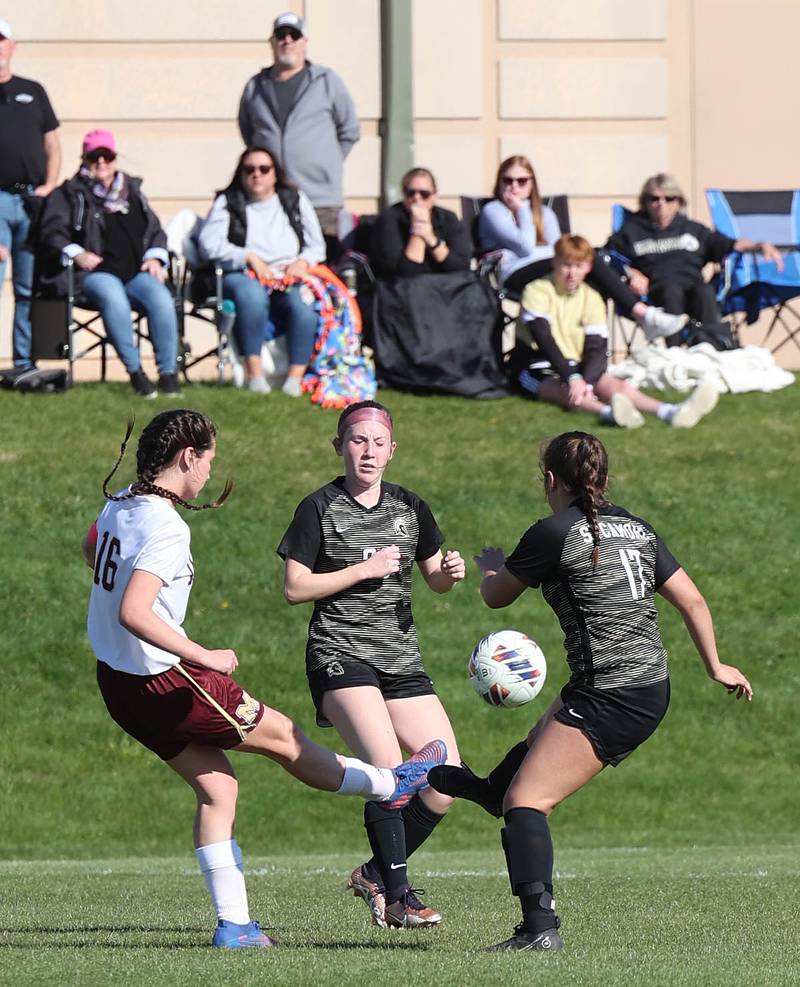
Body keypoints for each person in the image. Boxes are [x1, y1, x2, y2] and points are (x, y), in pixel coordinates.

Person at [83, 408, 446, 949]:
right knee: (287, 741)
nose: (209, 471)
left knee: (218, 789)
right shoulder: (166, 524)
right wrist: (201, 653)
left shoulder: (121, 504)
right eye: (208, 459)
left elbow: (93, 549)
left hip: (118, 683)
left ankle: (235, 927)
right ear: (188, 458)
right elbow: (135, 612)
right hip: (168, 680)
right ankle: (392, 783)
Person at [429, 430, 753, 951]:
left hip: (612, 693)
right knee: (517, 779)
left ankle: (539, 931)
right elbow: (692, 601)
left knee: (527, 802)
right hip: (641, 685)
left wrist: (490, 563)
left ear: (552, 479)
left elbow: (494, 596)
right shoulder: (638, 530)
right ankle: (487, 790)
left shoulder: (554, 532)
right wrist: (715, 666)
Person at [277, 400, 466, 929]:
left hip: (400, 657)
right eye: (357, 440)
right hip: (339, 654)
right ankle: (401, 897)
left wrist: (450, 572)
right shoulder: (318, 507)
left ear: (392, 450)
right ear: (338, 446)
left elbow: (434, 578)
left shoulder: (411, 508)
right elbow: (295, 587)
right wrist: (363, 569)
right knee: (389, 771)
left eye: (378, 442)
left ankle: (375, 874)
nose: (368, 450)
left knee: (446, 779)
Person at [513, 234, 719, 429]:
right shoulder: (536, 290)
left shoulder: (591, 296)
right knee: (565, 390)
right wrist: (573, 378)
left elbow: (597, 346)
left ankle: (670, 412)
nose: (571, 273)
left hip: (575, 363)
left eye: (578, 266)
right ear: (554, 263)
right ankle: (609, 414)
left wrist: (588, 381)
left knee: (618, 387)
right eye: (566, 265)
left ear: (588, 268)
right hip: (536, 364)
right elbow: (543, 338)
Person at [478, 155, 688, 342]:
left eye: (522, 181)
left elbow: (559, 250)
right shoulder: (494, 211)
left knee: (595, 267)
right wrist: (522, 210)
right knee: (592, 258)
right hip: (516, 274)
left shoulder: (544, 213)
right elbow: (524, 247)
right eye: (508, 180)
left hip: (555, 269)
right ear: (499, 182)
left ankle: (593, 353)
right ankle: (643, 314)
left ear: (532, 184)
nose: (514, 186)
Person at [36, 129, 179, 397]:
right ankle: (136, 373)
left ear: (115, 158)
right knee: (114, 297)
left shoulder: (133, 192)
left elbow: (155, 231)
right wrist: (76, 252)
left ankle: (169, 374)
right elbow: (50, 232)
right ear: (85, 159)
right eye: (95, 157)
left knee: (161, 297)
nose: (101, 162)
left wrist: (155, 257)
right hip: (93, 273)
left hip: (135, 271)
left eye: (107, 156)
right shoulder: (69, 193)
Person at [197, 145, 325, 395]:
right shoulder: (229, 201)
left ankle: (294, 379)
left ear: (275, 174)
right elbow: (208, 244)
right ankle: (254, 374)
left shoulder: (294, 199)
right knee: (251, 296)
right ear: (242, 174)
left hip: (288, 275)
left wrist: (302, 262)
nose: (257, 174)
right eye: (250, 169)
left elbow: (317, 245)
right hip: (244, 273)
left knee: (303, 308)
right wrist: (248, 257)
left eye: (264, 169)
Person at [603, 173, 784, 345]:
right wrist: (631, 273)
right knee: (671, 291)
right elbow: (608, 257)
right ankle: (674, 351)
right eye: (654, 198)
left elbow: (729, 244)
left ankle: (712, 348)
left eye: (669, 198)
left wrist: (759, 245)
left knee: (704, 291)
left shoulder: (693, 229)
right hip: (655, 292)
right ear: (645, 202)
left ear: (679, 202)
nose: (661, 204)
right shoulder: (631, 231)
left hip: (693, 287)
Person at [237, 11, 360, 245]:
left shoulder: (326, 81)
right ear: (272, 42)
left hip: (321, 200)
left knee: (322, 268)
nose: (287, 41)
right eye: (281, 35)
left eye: (294, 35)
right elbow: (248, 132)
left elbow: (350, 131)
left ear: (304, 42)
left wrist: (327, 161)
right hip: (272, 201)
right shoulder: (255, 87)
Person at [0, 17, 61, 369]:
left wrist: (49, 187)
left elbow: (52, 143)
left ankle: (24, 364)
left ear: (13, 46)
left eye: (2, 41)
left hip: (31, 204)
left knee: (27, 288)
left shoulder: (33, 90)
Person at [370, 167, 472, 278]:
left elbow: (460, 267)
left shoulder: (448, 218)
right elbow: (405, 274)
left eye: (424, 194)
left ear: (434, 196)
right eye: (410, 193)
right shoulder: (390, 218)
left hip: (445, 288)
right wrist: (418, 229)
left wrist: (431, 240)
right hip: (405, 290)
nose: (417, 198)